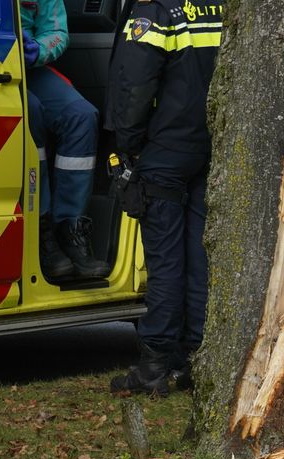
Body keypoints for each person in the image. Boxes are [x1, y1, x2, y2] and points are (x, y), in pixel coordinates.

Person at [105, 0, 224, 395]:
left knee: (166, 262)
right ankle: (194, 359)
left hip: (164, 151)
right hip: (207, 147)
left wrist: (127, 145)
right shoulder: (218, 7)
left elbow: (134, 84)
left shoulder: (153, 9)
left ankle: (154, 365)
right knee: (197, 259)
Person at [21, 0, 109, 279]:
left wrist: (36, 50)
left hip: (27, 65)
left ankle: (70, 229)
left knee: (82, 116)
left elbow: (56, 31)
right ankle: (41, 229)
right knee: (30, 110)